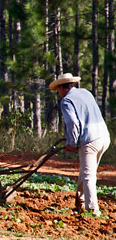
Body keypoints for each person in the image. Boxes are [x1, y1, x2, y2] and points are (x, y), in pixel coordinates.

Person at [50, 73, 111, 217]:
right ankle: (81, 202)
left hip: (90, 141)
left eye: (58, 89)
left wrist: (72, 143)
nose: (58, 93)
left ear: (61, 87)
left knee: (88, 175)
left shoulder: (67, 101)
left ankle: (92, 210)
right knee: (86, 171)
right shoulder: (85, 92)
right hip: (103, 136)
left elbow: (73, 124)